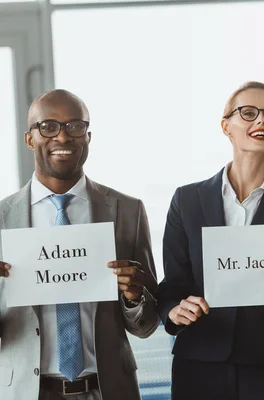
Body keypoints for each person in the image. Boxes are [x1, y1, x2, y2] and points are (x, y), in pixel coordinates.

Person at [156, 81, 264, 400]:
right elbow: (173, 287)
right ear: (227, 127)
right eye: (248, 113)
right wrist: (174, 311)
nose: (261, 121)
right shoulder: (187, 200)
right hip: (199, 366)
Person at [0, 89, 160, 400]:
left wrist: (133, 295)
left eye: (75, 126)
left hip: (107, 390)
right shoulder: (1, 219)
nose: (62, 137)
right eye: (48, 126)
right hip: (26, 392)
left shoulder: (127, 211)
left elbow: (146, 326)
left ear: (88, 136)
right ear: (29, 139)